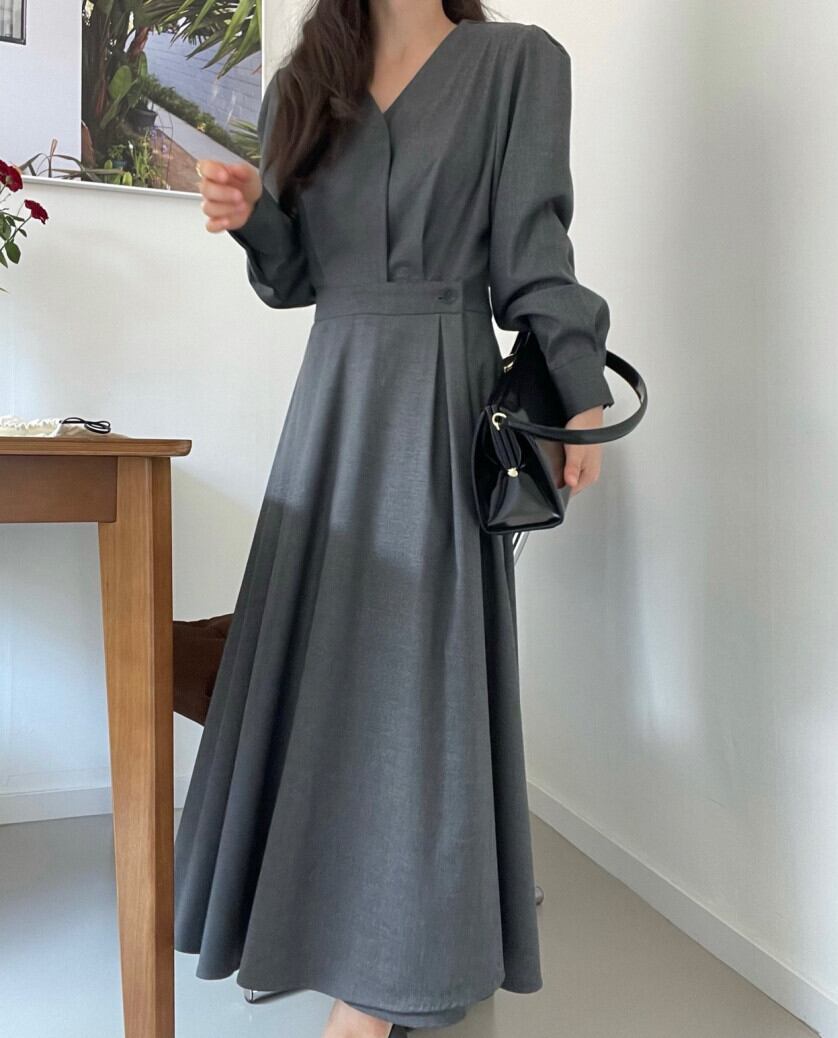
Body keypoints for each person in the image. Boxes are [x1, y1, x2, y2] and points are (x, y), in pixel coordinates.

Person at [174, 2, 615, 1035]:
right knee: (328, 679)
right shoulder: (304, 82)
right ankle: (323, 932)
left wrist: (578, 386)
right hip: (332, 403)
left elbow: (531, 244)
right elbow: (295, 277)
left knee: (416, 686)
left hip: (438, 401)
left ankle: (377, 987)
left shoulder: (516, 62)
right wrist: (253, 214)